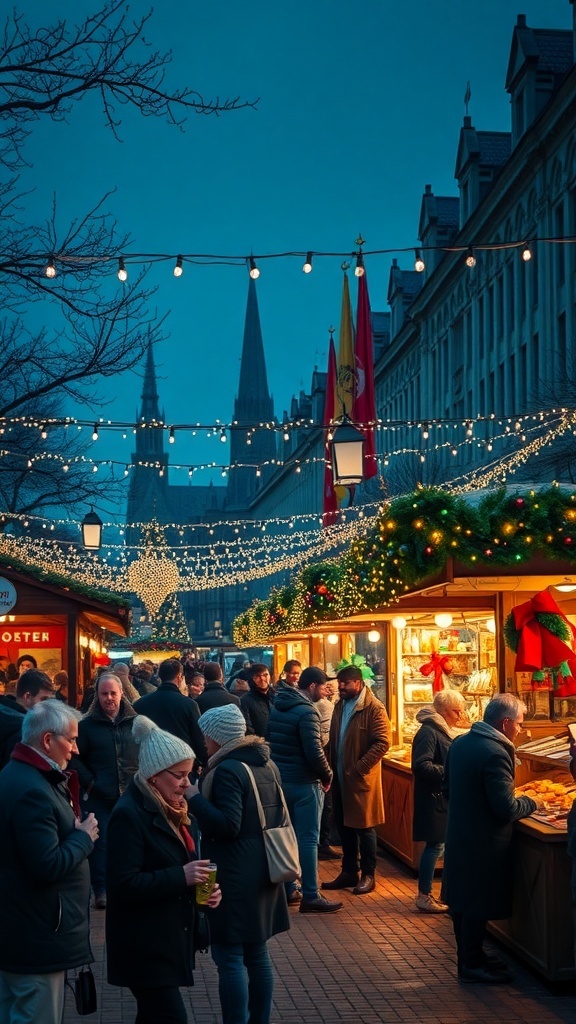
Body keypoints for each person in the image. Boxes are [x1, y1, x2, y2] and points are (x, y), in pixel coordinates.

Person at [106, 715, 220, 1024]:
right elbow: (122, 885)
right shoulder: (129, 816)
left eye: (189, 774)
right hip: (144, 946)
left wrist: (204, 892)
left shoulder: (176, 811)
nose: (187, 783)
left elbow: (183, 869)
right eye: (180, 775)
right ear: (155, 775)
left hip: (164, 941)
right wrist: (181, 876)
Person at [189, 704, 290, 1024]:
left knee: (229, 955)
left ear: (219, 736)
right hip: (263, 868)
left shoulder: (229, 769)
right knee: (257, 953)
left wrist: (194, 797)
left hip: (232, 872)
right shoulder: (265, 762)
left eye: (206, 734)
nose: (203, 741)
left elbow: (227, 826)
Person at [0, 700, 98, 1024]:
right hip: (36, 937)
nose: (75, 750)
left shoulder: (21, 777)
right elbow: (46, 864)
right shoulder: (32, 789)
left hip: (26, 931)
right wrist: (84, 837)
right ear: (46, 741)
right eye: (70, 740)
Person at [442, 693, 538, 984]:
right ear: (506, 722)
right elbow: (506, 807)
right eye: (519, 723)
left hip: (460, 833)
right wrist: (532, 802)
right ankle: (471, 964)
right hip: (485, 842)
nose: (520, 729)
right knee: (476, 903)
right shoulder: (496, 752)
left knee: (462, 901)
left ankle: (470, 957)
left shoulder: (461, 742)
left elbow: (447, 787)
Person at [267, 666, 342, 914]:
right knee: (308, 839)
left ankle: (290, 889)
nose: (326, 691)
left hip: (282, 781)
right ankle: (311, 894)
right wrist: (327, 774)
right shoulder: (308, 712)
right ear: (312, 687)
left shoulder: (279, 706)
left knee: (288, 837)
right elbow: (314, 750)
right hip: (304, 783)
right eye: (323, 686)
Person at [71, 672, 139, 909]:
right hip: (99, 795)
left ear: (122, 693)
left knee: (130, 841)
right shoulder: (86, 726)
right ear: (97, 695)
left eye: (113, 693)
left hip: (131, 794)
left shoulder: (136, 723)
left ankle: (128, 884)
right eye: (104, 693)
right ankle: (101, 889)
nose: (109, 698)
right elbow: (75, 759)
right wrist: (91, 782)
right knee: (100, 845)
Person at [322, 664, 391, 896]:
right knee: (343, 825)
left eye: (345, 683)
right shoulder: (340, 705)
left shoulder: (374, 708)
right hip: (340, 777)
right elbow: (335, 739)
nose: (340, 687)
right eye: (339, 683)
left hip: (360, 780)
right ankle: (349, 871)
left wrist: (359, 768)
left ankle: (368, 875)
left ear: (358, 684)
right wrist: (328, 765)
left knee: (365, 828)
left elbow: (383, 742)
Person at [411, 688, 467, 913]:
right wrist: (450, 770)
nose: (460, 717)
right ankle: (424, 895)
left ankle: (432, 894)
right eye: (457, 712)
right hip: (434, 798)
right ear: (444, 710)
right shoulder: (429, 731)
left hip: (440, 798)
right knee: (434, 846)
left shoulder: (439, 729)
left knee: (438, 845)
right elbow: (421, 765)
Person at [134, 657, 207, 770]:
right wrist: (201, 763)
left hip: (151, 765)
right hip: (181, 766)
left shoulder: (140, 704)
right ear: (179, 677)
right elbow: (198, 739)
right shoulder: (189, 705)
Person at [240, 663, 273, 737]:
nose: (262, 679)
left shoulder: (277, 696)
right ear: (252, 679)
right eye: (257, 676)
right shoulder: (245, 700)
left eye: (265, 675)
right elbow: (247, 728)